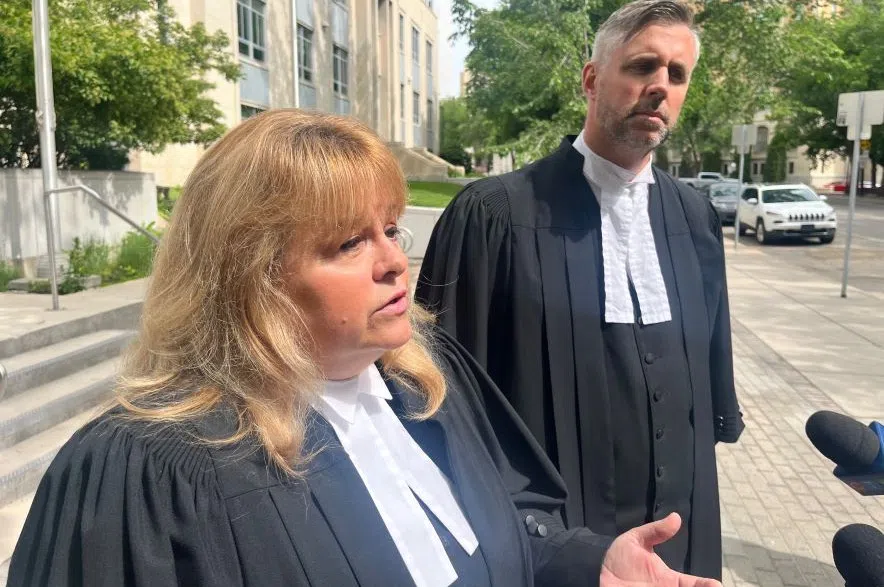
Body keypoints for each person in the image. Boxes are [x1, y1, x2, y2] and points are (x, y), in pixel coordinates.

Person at [8, 110, 720, 587]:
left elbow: (508, 531)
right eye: (349, 242)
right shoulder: (142, 473)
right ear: (251, 275)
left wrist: (593, 562)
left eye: (390, 229)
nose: (392, 263)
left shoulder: (426, 387)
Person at [415, 1, 744, 580]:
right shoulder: (493, 215)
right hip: (556, 531)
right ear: (593, 78)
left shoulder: (694, 218)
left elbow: (711, 356)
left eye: (677, 74)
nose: (659, 87)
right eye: (642, 66)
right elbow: (446, 395)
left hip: (680, 521)